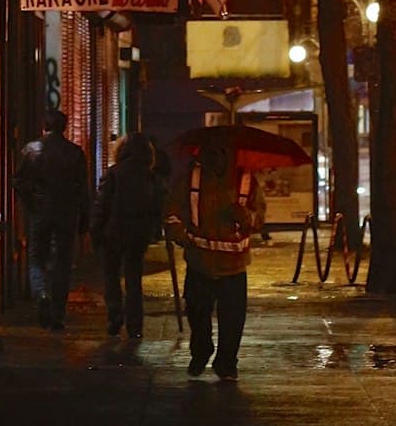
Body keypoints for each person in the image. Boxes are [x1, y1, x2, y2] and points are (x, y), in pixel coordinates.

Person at [168, 127, 253, 380]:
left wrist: (244, 215)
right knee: (197, 314)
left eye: (221, 151)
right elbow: (173, 212)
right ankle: (201, 351)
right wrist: (181, 235)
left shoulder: (245, 180)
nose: (215, 156)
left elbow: (259, 217)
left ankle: (227, 363)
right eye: (210, 150)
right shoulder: (190, 179)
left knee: (233, 320)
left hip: (234, 266)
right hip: (199, 262)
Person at [14, 107, 90, 330]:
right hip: (67, 213)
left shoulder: (31, 150)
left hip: (40, 212)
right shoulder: (75, 153)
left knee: (37, 259)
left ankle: (42, 295)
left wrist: (31, 202)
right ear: (64, 127)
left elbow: (18, 181)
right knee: (63, 263)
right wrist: (84, 218)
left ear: (45, 126)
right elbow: (82, 189)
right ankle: (58, 313)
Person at [91, 132, 165, 343]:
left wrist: (95, 231)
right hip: (138, 233)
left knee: (111, 276)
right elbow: (158, 206)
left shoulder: (114, 174)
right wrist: (155, 230)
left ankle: (114, 317)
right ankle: (135, 325)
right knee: (134, 279)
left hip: (113, 232)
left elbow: (101, 205)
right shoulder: (151, 177)